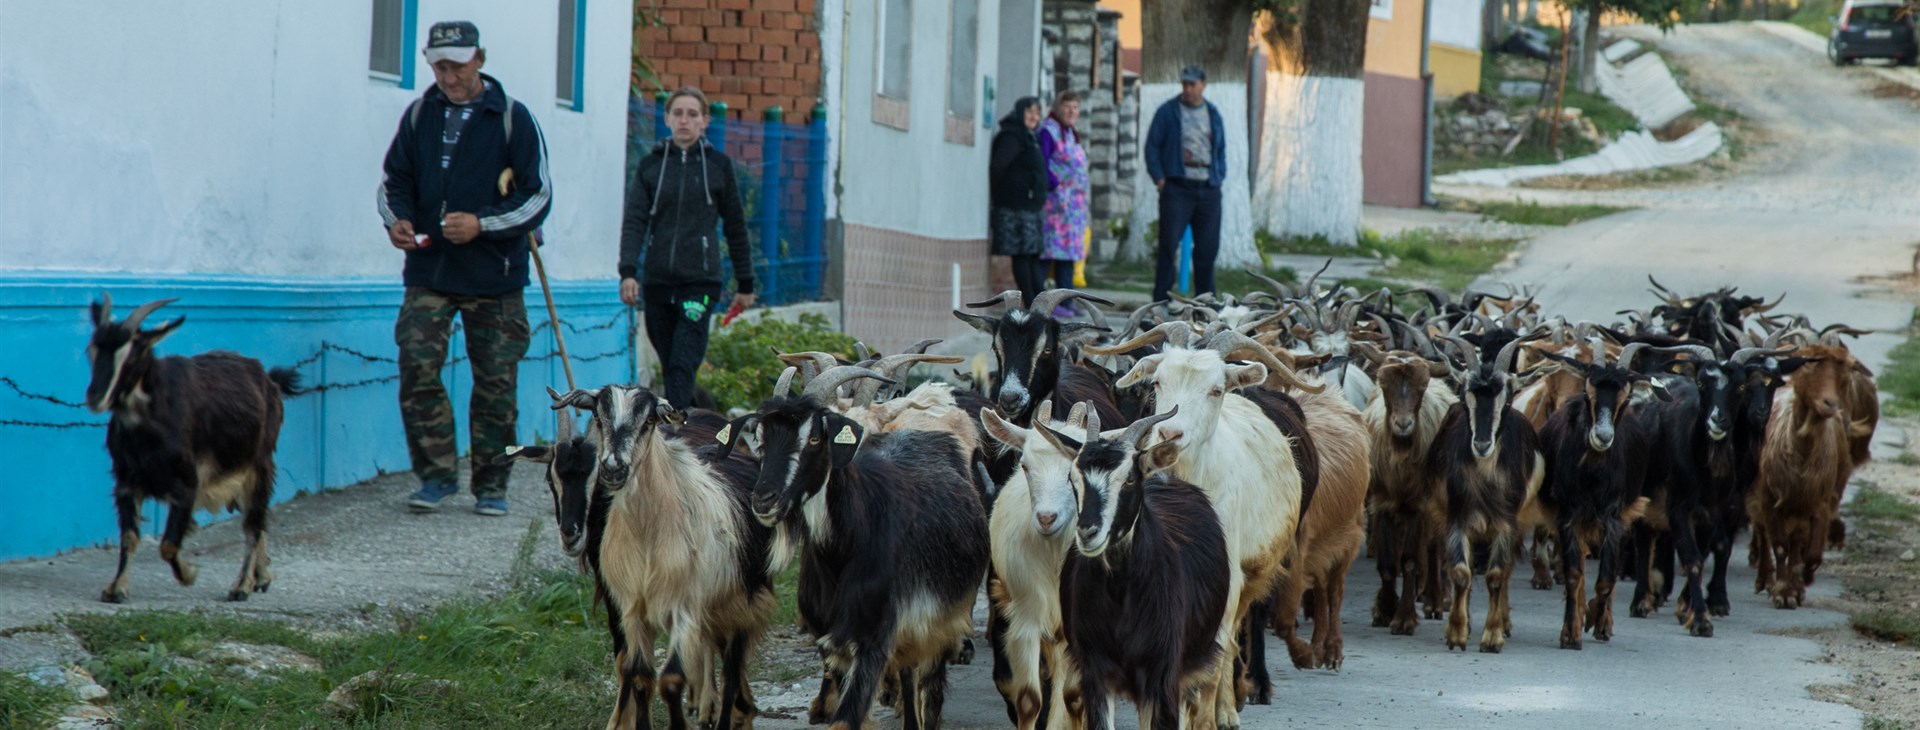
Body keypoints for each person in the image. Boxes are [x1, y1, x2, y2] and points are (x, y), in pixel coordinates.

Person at [378, 21, 551, 515]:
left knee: (496, 384)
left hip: (495, 276)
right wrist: (399, 221)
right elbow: (394, 181)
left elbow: (537, 196)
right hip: (429, 271)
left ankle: (492, 485)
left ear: (480, 59)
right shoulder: (418, 115)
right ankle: (435, 477)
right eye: (439, 66)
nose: (448, 76)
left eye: (456, 65)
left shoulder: (513, 118)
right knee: (416, 366)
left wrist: (483, 225)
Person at [618, 87, 755, 410]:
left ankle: (673, 436)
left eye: (693, 114)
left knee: (683, 360)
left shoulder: (718, 166)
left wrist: (745, 283)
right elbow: (635, 220)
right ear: (666, 119)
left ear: (704, 121)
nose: (684, 120)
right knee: (670, 363)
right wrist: (628, 272)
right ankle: (695, 413)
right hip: (658, 282)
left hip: (700, 282)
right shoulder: (651, 166)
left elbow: (736, 226)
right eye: (678, 113)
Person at [1144, 65, 1226, 304]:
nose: (1188, 89)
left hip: (1208, 189)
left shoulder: (1213, 113)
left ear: (1203, 85)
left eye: (1193, 84)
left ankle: (1206, 304)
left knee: (1207, 250)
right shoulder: (1168, 112)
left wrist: (1219, 176)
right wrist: (1160, 179)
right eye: (1185, 84)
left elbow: (1220, 149)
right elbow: (1152, 148)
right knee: (1168, 248)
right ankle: (1160, 303)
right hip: (1177, 189)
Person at [989, 97, 1048, 305]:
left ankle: (1041, 305)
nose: (1034, 117)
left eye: (1037, 113)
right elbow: (998, 168)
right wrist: (1019, 189)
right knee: (1022, 256)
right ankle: (1032, 304)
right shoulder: (1011, 137)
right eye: (1029, 112)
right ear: (1020, 113)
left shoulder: (1030, 137)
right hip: (1016, 208)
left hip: (1029, 208)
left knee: (1031, 257)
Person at [1039, 91, 1090, 319]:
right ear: (1058, 108)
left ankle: (1066, 301)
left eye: (1075, 107)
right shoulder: (1049, 131)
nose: (1071, 111)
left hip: (1073, 208)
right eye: (1067, 106)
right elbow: (1042, 162)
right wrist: (1056, 186)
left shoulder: (1070, 133)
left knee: (1068, 256)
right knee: (1050, 253)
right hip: (1056, 206)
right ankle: (1043, 301)